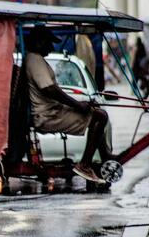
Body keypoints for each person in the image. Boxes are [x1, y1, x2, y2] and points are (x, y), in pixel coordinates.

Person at [24, 26, 113, 184]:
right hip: (48, 116)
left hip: (53, 111)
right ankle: (85, 164)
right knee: (99, 116)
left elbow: (54, 90)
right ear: (39, 42)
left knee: (98, 113)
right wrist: (77, 105)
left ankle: (105, 161)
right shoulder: (34, 60)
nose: (51, 47)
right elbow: (50, 89)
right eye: (48, 43)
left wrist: (80, 103)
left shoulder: (36, 59)